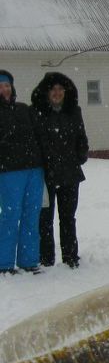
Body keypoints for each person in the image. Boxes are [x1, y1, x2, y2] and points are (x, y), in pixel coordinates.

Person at [30, 72, 88, 268]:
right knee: (45, 218)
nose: (56, 93)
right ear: (46, 92)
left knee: (68, 218)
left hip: (70, 173)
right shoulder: (36, 112)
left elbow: (81, 137)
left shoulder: (74, 111)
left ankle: (70, 256)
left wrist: (81, 155)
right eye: (53, 89)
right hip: (45, 174)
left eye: (60, 89)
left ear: (66, 92)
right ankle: (46, 257)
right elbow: (32, 142)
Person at [0, 70, 47, 274]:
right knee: (10, 215)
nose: (5, 89)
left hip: (33, 169)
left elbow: (39, 135)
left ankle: (29, 261)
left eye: (7, 85)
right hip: (9, 172)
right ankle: (4, 263)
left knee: (32, 214)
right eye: (0, 86)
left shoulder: (24, 109)